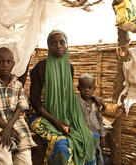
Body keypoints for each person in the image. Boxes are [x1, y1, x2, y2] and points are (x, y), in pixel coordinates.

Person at [29, 30, 96, 165]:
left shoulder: (69, 68)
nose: (58, 46)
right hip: (42, 116)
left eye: (62, 42)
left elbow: (67, 95)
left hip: (64, 115)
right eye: (54, 43)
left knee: (88, 136)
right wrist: (55, 121)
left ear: (66, 45)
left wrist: (94, 99)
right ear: (49, 47)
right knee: (61, 143)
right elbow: (34, 101)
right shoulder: (40, 68)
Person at [0, 47, 37, 165]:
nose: (5, 65)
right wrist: (6, 128)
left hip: (18, 125)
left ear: (13, 64)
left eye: (8, 61)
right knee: (5, 160)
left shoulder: (18, 85)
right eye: (1, 61)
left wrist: (9, 127)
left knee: (25, 160)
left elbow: (20, 107)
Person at [77, 73, 106, 165]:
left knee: (98, 154)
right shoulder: (76, 100)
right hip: (84, 135)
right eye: (83, 87)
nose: (87, 90)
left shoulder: (95, 104)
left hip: (96, 133)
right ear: (78, 88)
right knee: (87, 156)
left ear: (94, 89)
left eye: (90, 88)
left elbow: (100, 120)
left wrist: (103, 136)